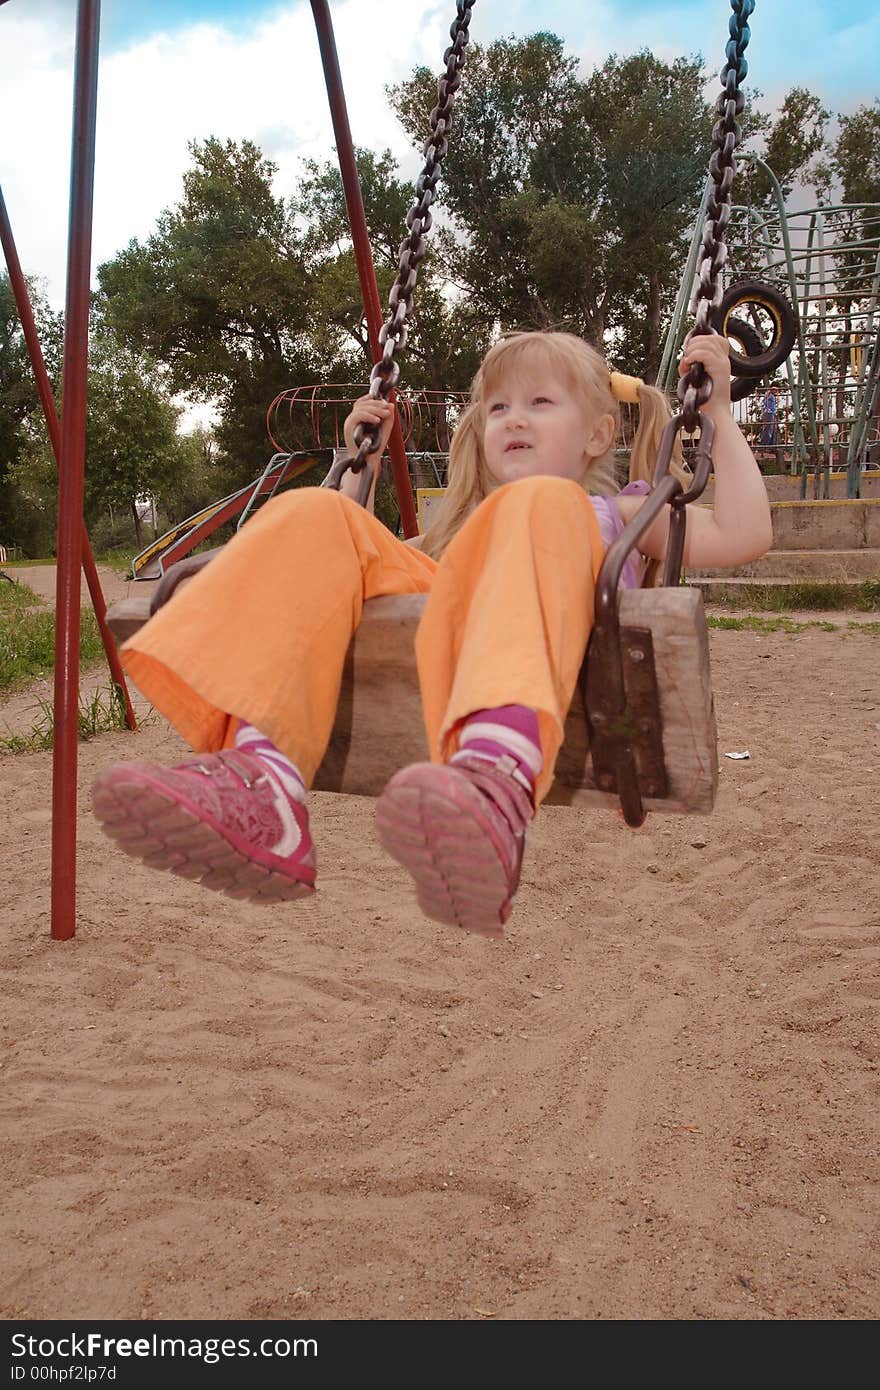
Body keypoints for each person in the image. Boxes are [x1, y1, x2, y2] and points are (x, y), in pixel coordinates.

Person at [92, 331, 771, 938]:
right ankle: (265, 792)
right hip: (438, 652)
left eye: (539, 402)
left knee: (532, 505)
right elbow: (348, 577)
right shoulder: (457, 535)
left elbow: (745, 535)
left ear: (597, 435)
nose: (513, 419)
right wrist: (358, 469)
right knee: (312, 513)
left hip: (568, 698)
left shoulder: (622, 511)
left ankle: (494, 792)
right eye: (497, 408)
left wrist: (715, 416)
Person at [759, 383, 779, 454]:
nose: (776, 391)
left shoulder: (773, 395)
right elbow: (766, 398)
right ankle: (763, 446)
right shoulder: (768, 394)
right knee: (768, 429)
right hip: (768, 413)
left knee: (773, 429)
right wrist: (770, 390)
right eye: (775, 389)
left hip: (772, 413)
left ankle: (771, 446)